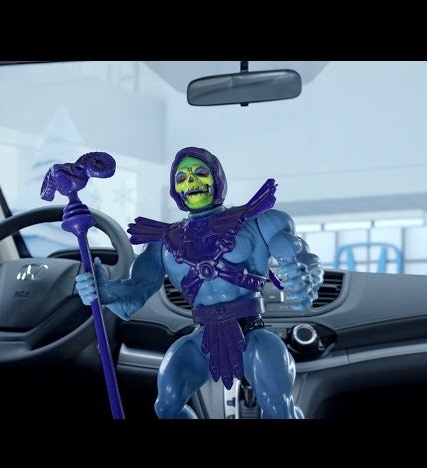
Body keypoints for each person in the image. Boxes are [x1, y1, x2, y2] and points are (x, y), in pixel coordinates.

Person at [76, 146, 323, 418]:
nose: (191, 181)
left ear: (217, 178)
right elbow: (133, 297)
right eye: (182, 178)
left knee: (278, 409)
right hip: (203, 338)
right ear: (176, 190)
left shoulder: (259, 223)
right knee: (166, 407)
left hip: (252, 334)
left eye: (200, 173)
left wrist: (307, 274)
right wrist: (103, 291)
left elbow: (299, 255)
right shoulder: (162, 244)